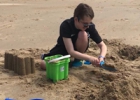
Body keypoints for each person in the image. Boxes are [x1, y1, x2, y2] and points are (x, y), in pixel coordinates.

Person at [40, 3, 107, 70]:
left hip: (79, 51)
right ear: (76, 19)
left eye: (89, 23)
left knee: (83, 34)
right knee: (43, 64)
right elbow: (70, 51)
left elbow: (103, 45)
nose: (88, 26)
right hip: (63, 50)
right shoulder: (66, 25)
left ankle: (78, 60)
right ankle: (67, 64)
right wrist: (89, 58)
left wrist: (101, 57)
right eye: (85, 24)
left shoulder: (89, 26)